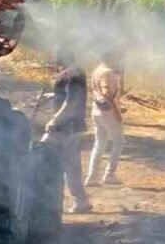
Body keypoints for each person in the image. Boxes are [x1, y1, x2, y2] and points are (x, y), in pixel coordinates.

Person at [43, 50, 91, 213]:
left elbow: (72, 100)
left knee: (66, 163)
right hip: (67, 126)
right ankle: (78, 200)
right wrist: (52, 96)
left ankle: (77, 200)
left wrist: (55, 119)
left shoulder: (72, 74)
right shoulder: (73, 72)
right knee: (69, 164)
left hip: (67, 127)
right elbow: (66, 96)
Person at [87, 50, 125, 186]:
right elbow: (106, 92)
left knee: (99, 143)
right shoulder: (108, 72)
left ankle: (92, 176)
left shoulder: (97, 70)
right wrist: (116, 110)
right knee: (119, 142)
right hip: (108, 112)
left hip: (97, 110)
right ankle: (109, 174)